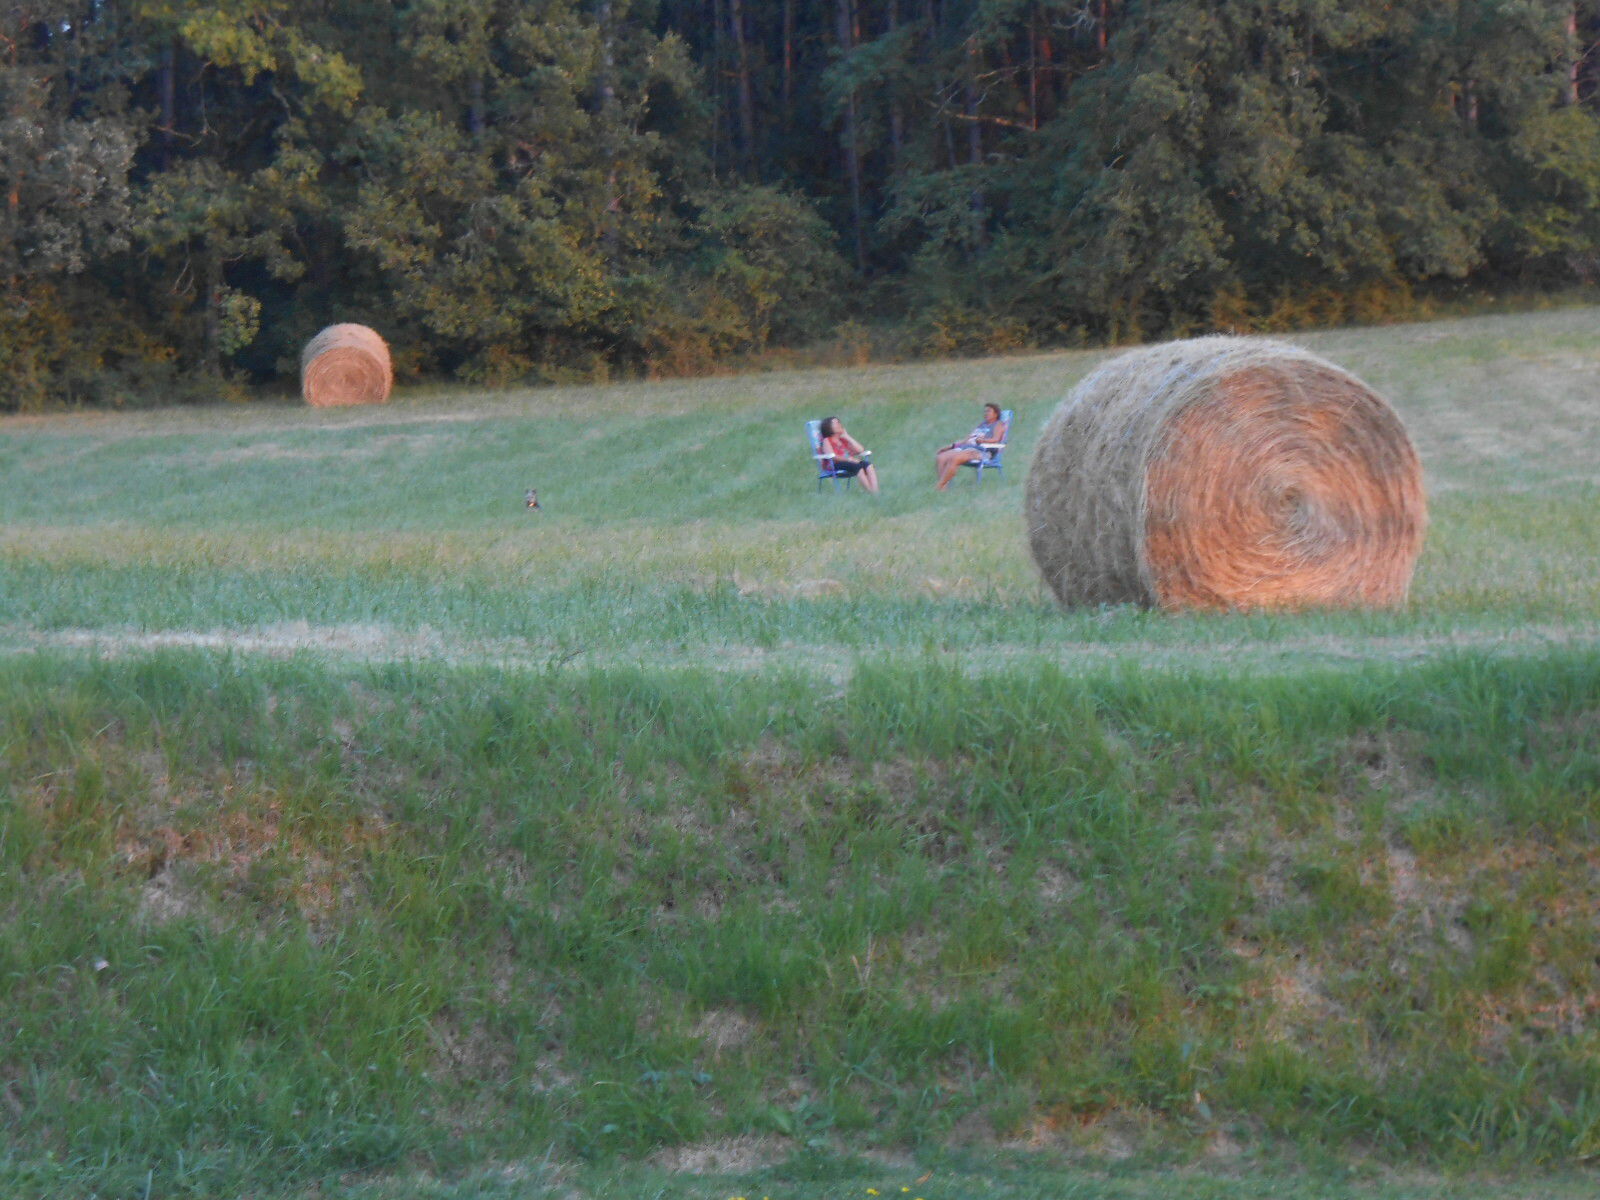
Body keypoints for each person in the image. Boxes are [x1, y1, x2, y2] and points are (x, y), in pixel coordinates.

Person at [934, 403, 1007, 490]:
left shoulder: (998, 424)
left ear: (996, 414)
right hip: (967, 448)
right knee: (941, 457)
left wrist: (983, 441)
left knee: (955, 458)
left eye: (989, 411)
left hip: (983, 451)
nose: (986, 413)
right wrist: (951, 446)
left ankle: (940, 485)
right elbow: (966, 440)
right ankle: (943, 487)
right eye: (985, 411)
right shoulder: (982, 425)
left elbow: (996, 439)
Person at [818, 416, 880, 494]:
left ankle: (876, 491)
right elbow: (832, 457)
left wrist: (847, 436)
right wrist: (849, 459)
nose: (839, 424)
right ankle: (871, 493)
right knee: (857, 466)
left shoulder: (843, 439)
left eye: (839, 422)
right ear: (828, 427)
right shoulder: (826, 440)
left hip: (849, 463)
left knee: (868, 465)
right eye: (836, 423)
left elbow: (860, 450)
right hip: (835, 465)